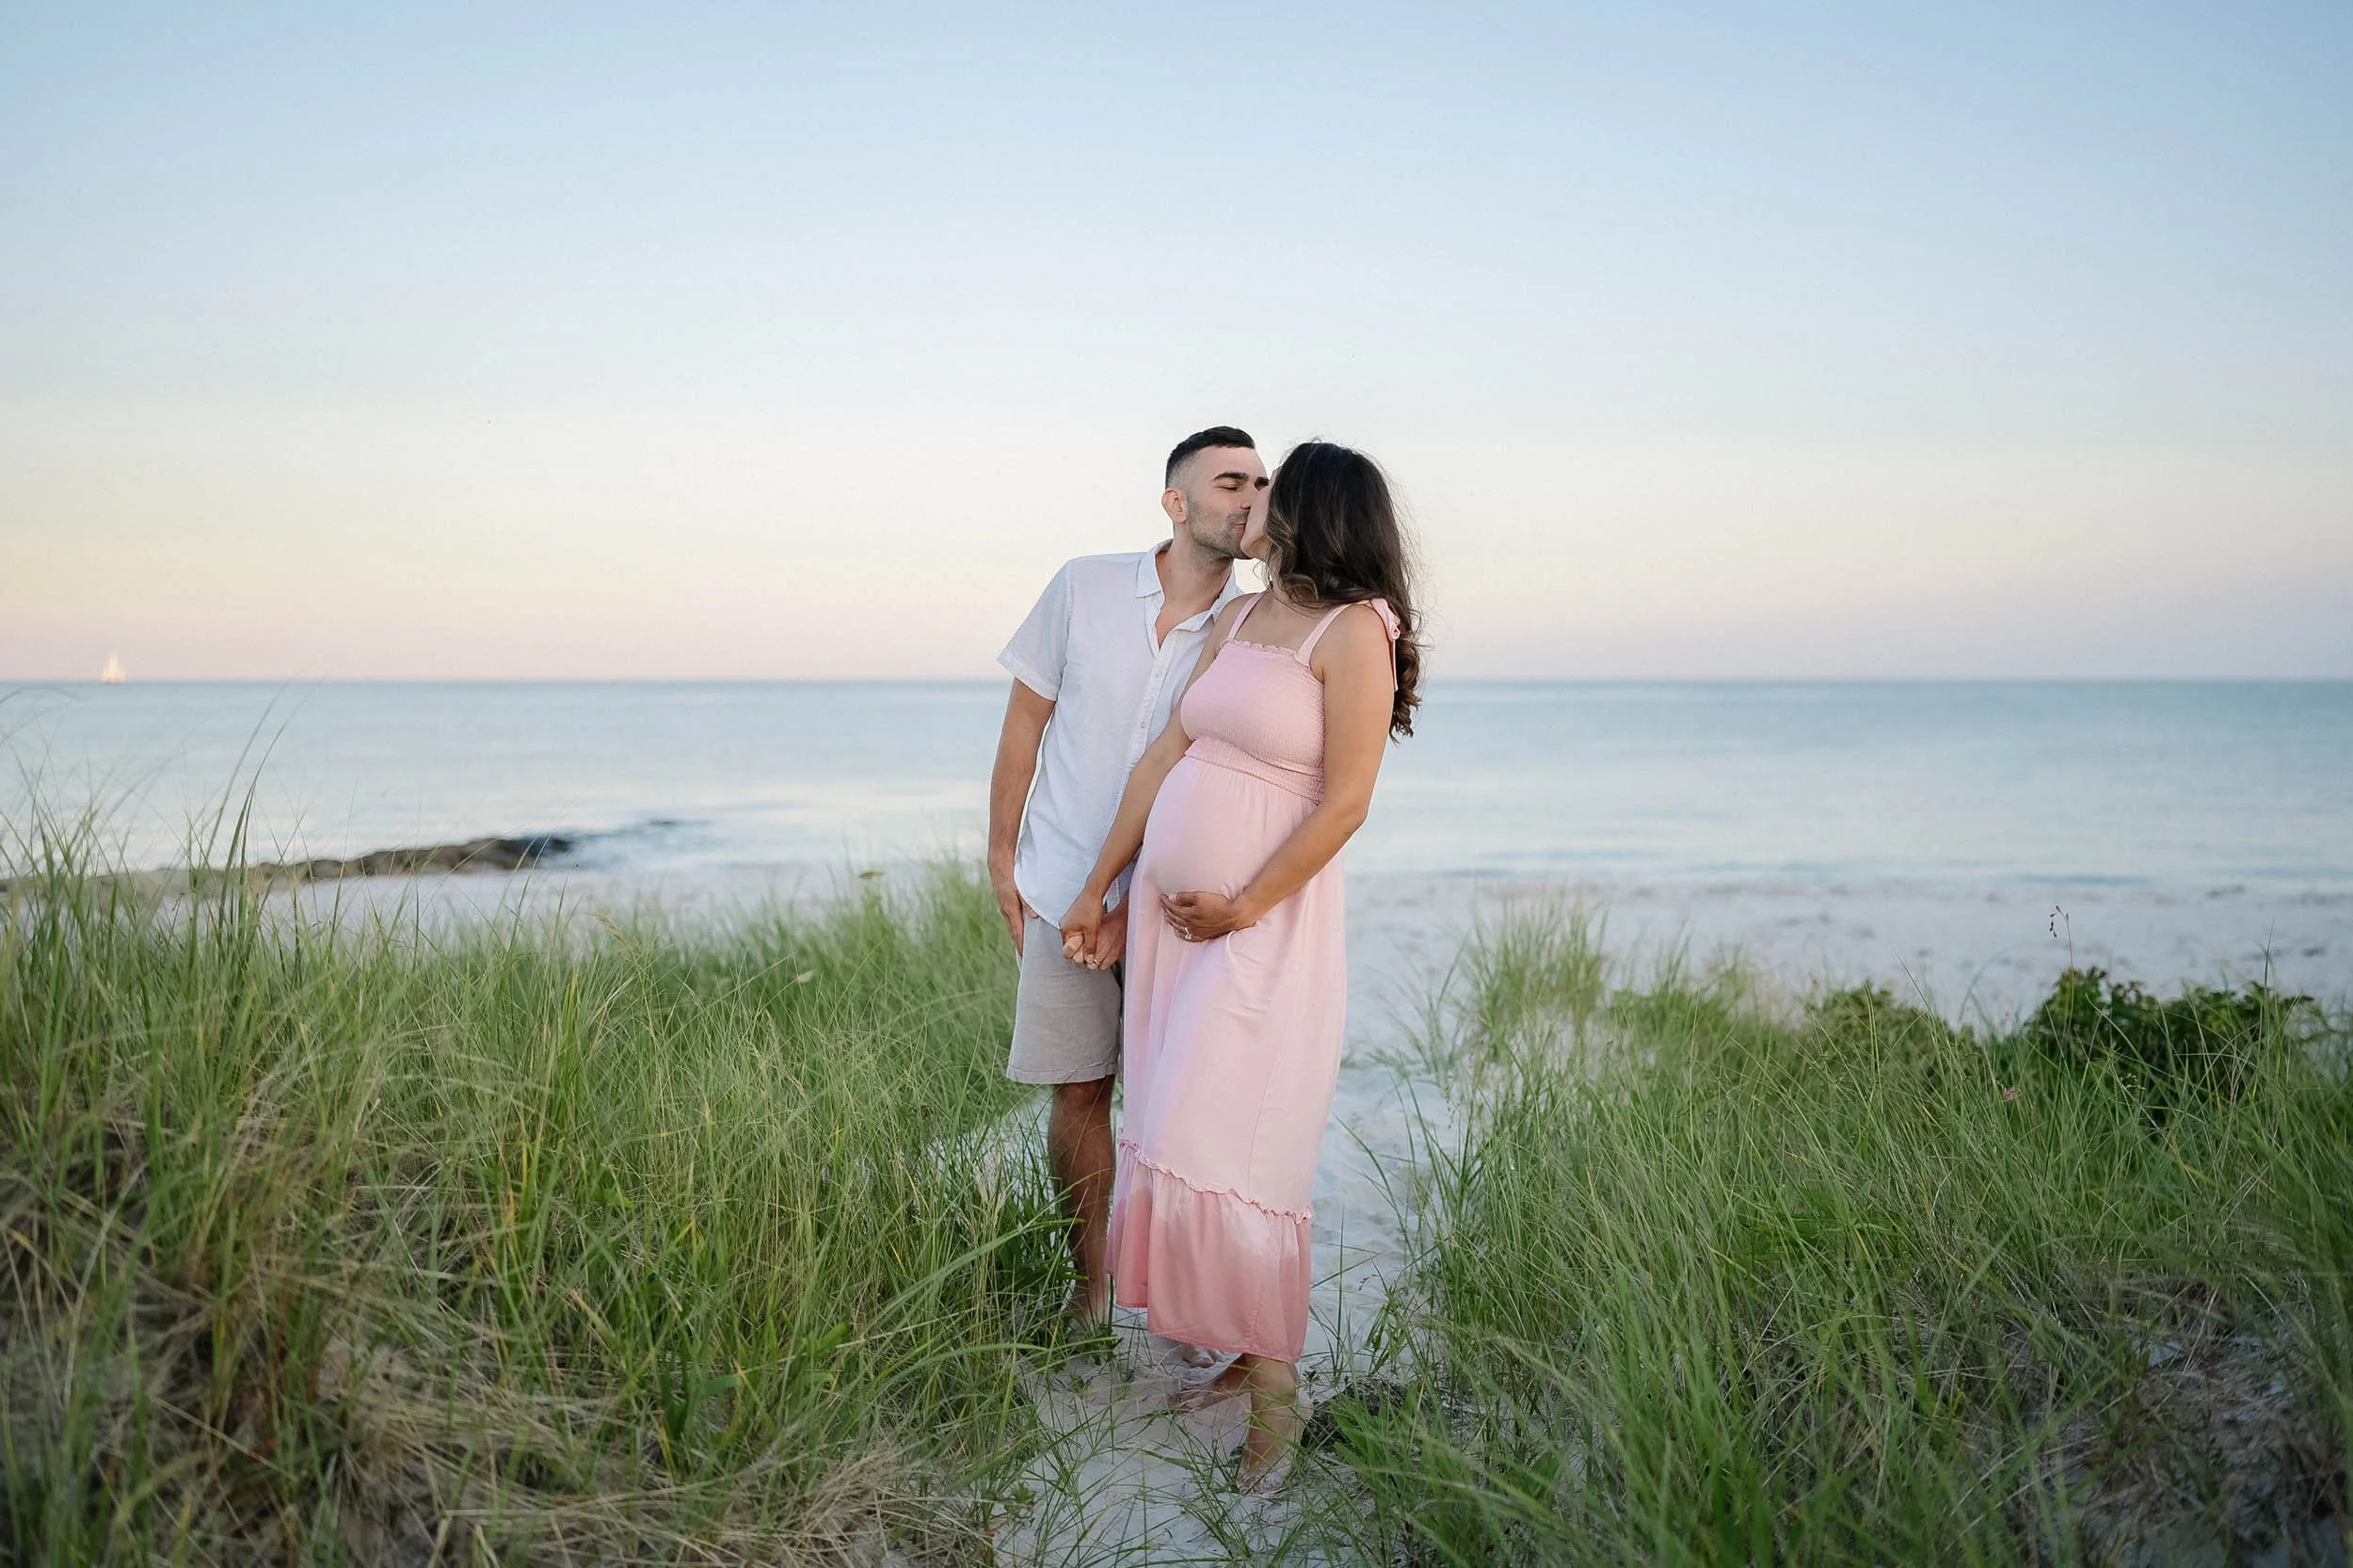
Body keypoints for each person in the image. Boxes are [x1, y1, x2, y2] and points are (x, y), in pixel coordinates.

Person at [1058, 440, 1422, 1488]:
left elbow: (1346, 800)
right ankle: (1236, 1350)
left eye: (1273, 489)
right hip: (1182, 931)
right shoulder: (1246, 616)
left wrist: (1244, 904)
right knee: (1169, 1130)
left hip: (1258, 930)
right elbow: (1165, 753)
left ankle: (1276, 1390)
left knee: (1231, 1142)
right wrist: (1102, 886)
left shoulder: (1356, 631)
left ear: (1312, 511)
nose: (1255, 501)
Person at [988, 425, 1264, 1325]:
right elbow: (1026, 723)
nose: (1250, 496)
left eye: (1261, 483)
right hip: (1061, 872)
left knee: (1185, 1106)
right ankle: (1092, 1290)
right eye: (1230, 481)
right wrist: (1002, 857)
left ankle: (1187, 1302)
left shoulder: (1255, 623)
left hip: (1173, 900)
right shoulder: (1085, 584)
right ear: (1175, 502)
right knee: (1078, 1093)